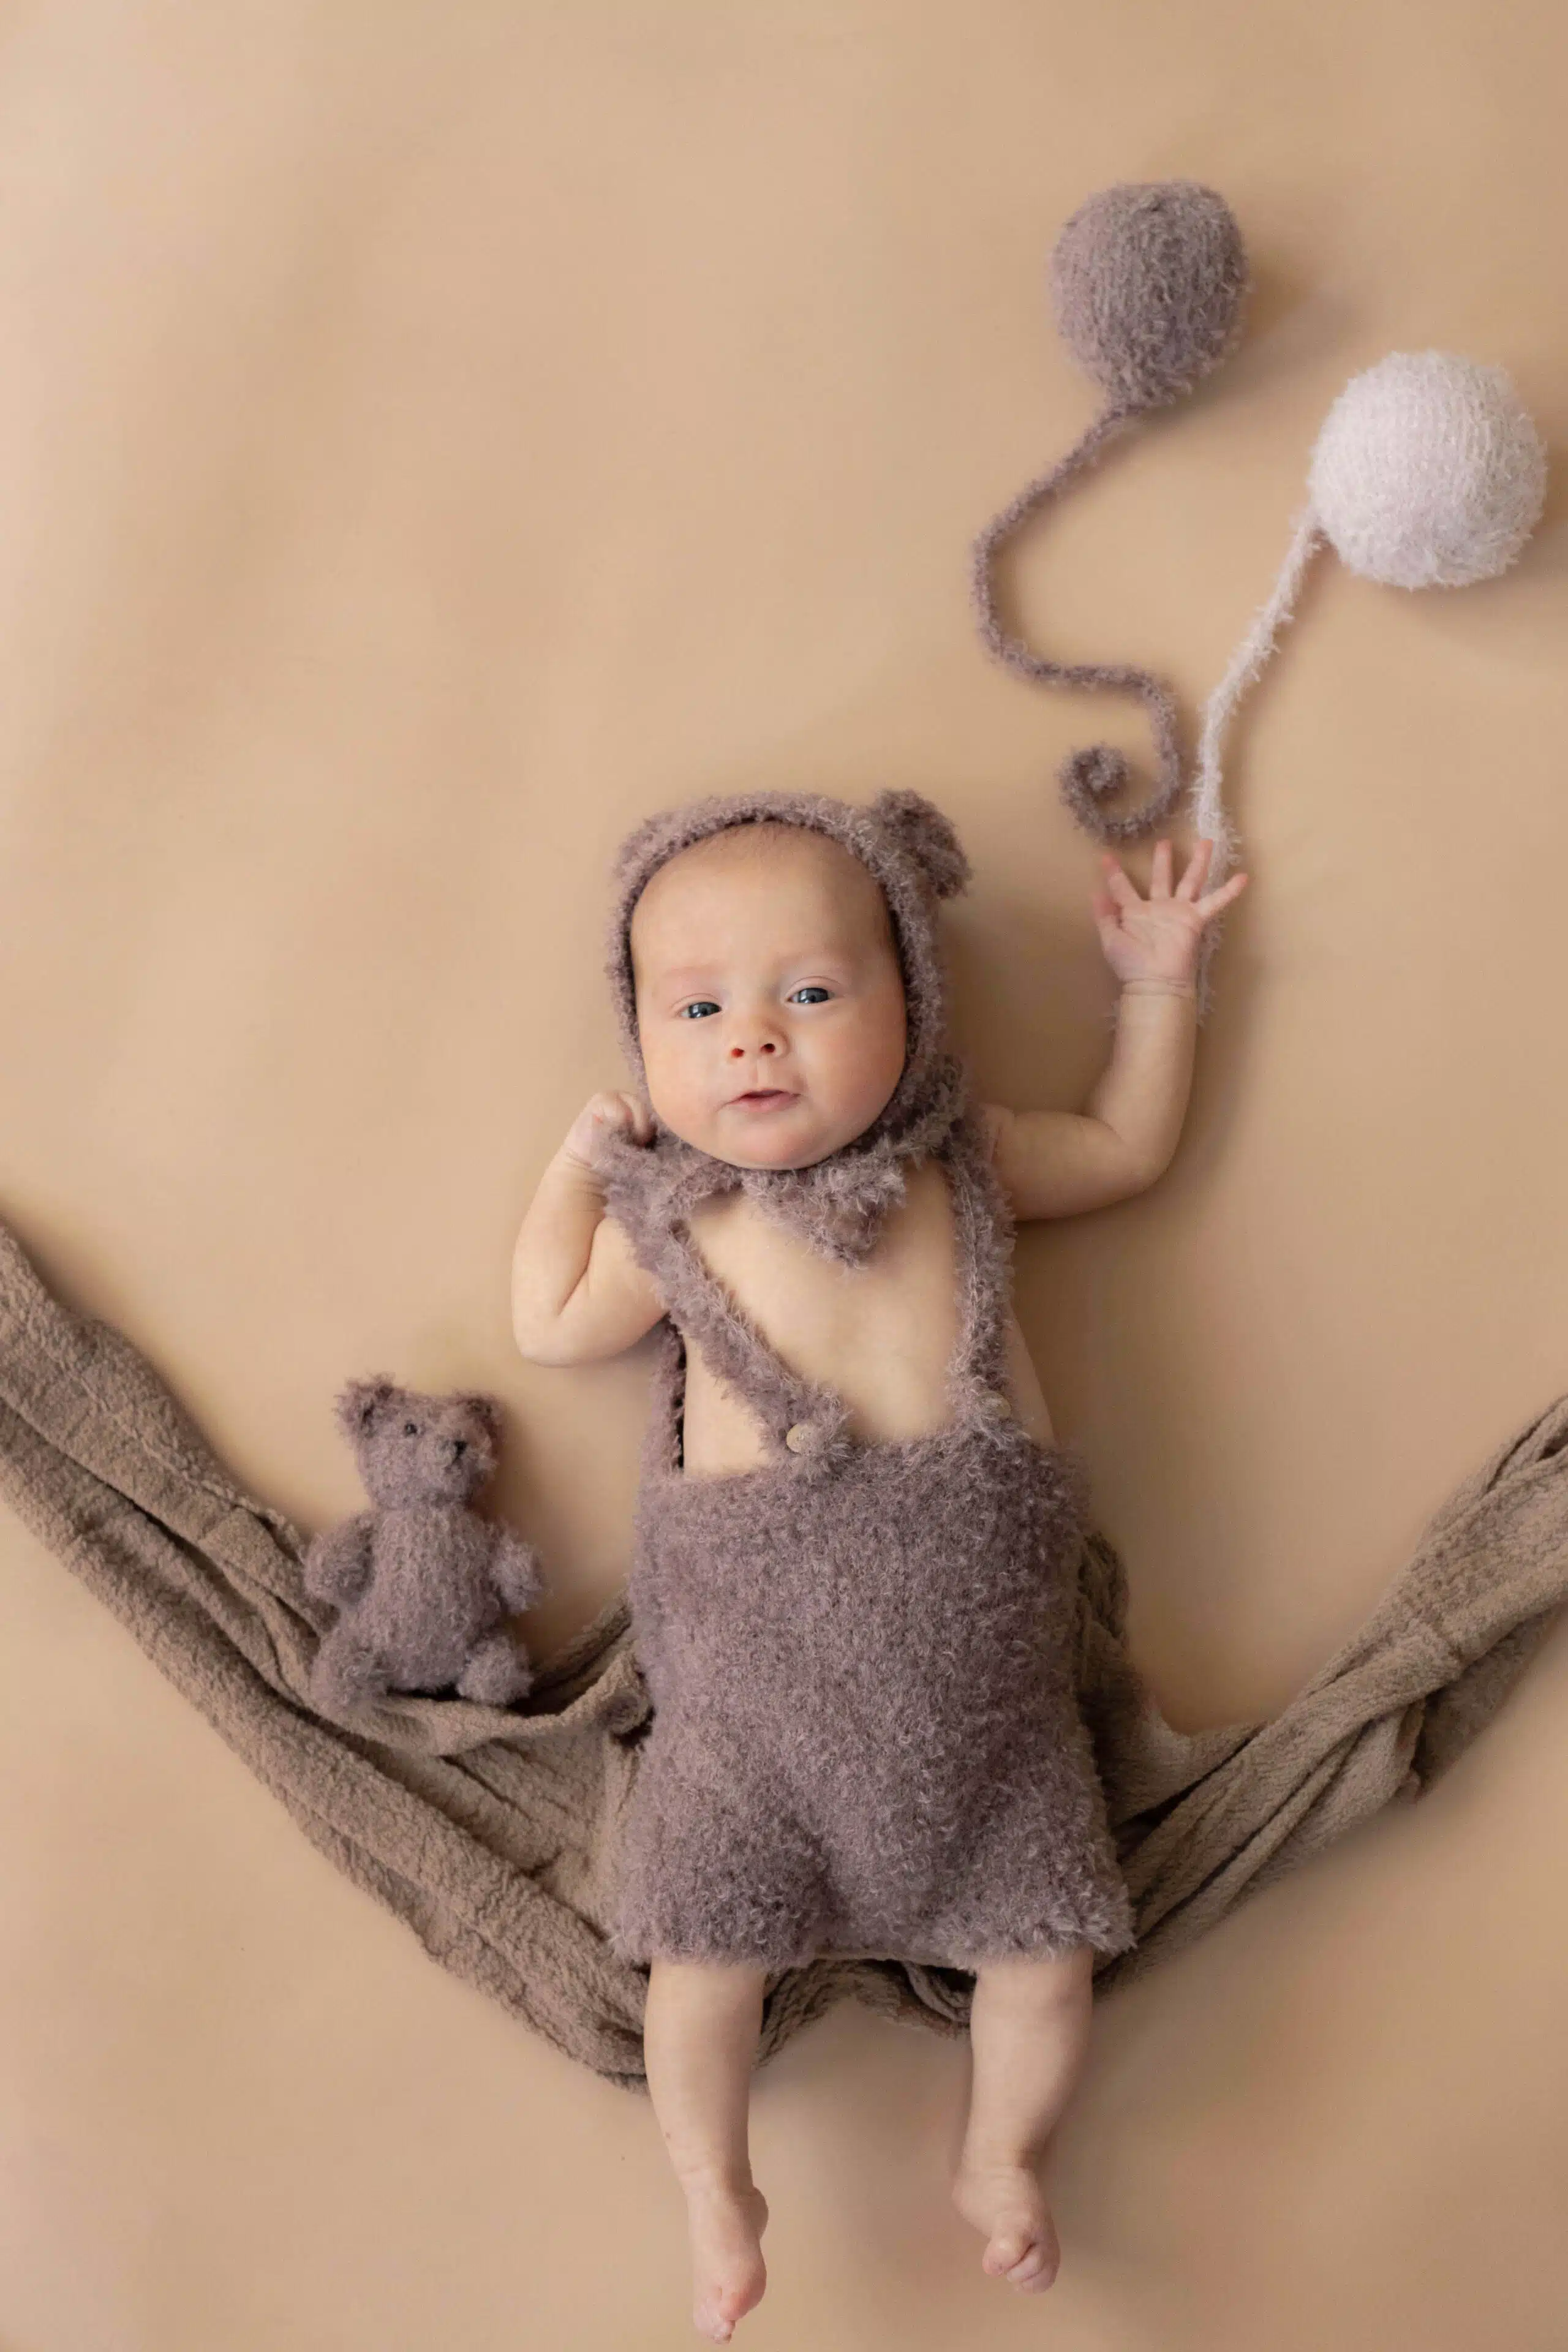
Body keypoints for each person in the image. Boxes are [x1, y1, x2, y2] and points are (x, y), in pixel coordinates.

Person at [511, 788, 1246, 2342]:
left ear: (909, 996)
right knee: (693, 1965)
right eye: (698, 1008)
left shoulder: (961, 1157)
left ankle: (1000, 2156)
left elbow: (1121, 1148)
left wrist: (1158, 982)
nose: (753, 1041)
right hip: (753, 1714)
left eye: (811, 994)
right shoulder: (680, 1216)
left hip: (979, 1701)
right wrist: (579, 1170)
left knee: (1046, 1957)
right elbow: (547, 1322)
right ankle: (715, 2186)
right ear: (642, 1041)